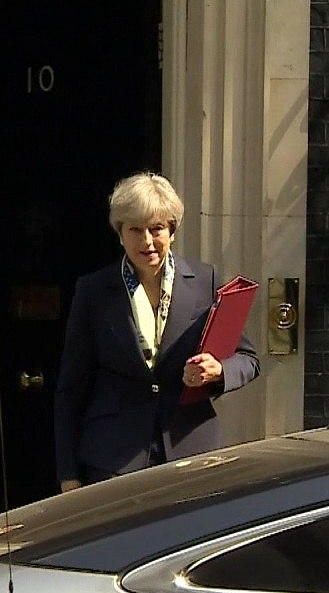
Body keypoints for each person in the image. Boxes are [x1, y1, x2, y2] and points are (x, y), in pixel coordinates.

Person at [54, 172, 259, 491]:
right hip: (113, 459)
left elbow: (247, 358)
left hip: (191, 451)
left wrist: (218, 371)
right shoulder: (94, 291)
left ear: (172, 231)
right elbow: (71, 388)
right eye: (135, 230)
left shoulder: (206, 281)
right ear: (119, 233)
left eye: (156, 229)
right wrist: (68, 473)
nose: (146, 241)